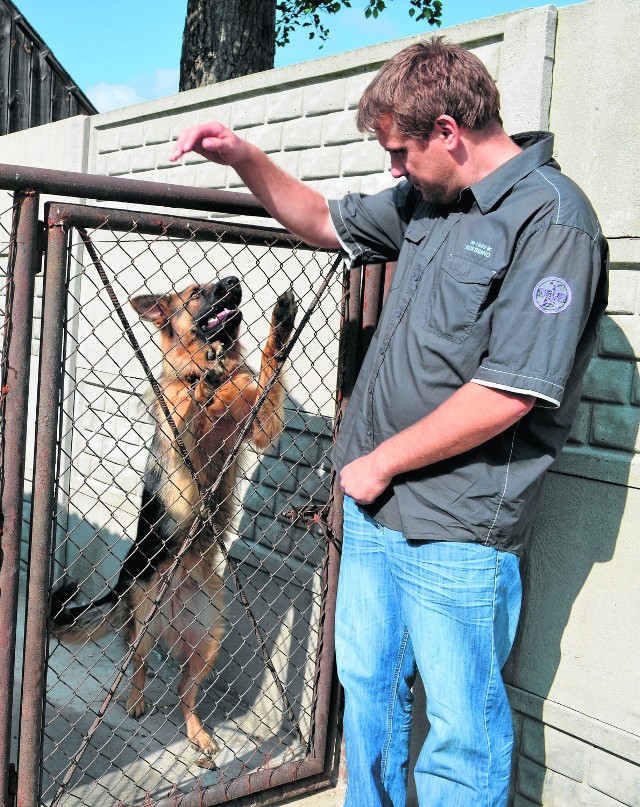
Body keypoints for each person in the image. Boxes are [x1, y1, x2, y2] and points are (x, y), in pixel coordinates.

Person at [170, 38, 608, 807]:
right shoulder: (424, 203)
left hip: (458, 524)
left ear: (448, 130)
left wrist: (380, 460)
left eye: (400, 151)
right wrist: (242, 156)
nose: (392, 170)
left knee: (462, 732)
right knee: (369, 692)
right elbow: (318, 217)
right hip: (376, 512)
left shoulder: (553, 222)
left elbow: (512, 390)